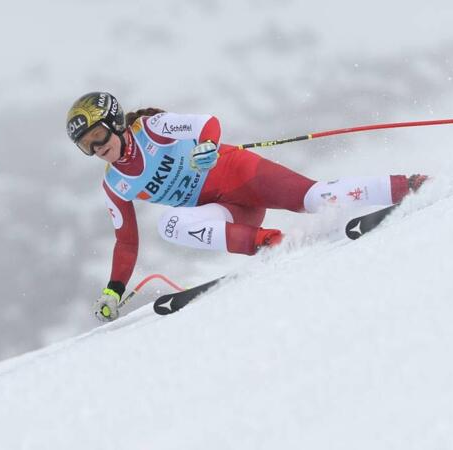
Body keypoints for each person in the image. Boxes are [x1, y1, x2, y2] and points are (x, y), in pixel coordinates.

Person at [65, 92, 427, 321]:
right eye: (86, 146)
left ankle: (408, 186)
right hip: (225, 210)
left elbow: (207, 123)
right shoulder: (115, 185)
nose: (97, 149)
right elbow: (127, 241)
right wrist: (113, 290)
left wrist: (206, 145)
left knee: (314, 198)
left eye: (98, 137)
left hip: (240, 173)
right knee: (168, 225)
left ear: (115, 123)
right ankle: (271, 241)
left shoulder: (152, 127)